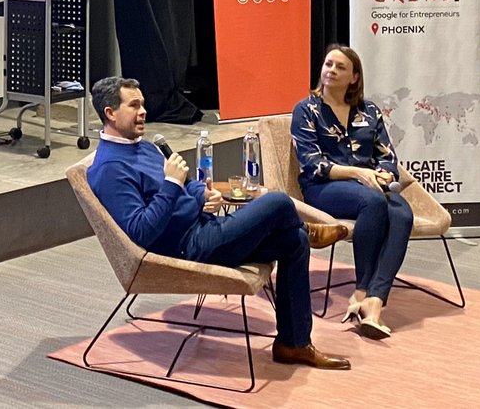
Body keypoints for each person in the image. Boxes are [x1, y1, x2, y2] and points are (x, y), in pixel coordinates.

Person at [88, 76, 351, 370]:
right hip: (185, 249)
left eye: (143, 104)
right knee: (277, 202)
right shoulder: (110, 168)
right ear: (110, 113)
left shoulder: (143, 146)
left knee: (294, 242)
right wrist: (173, 185)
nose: (143, 111)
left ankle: (293, 343)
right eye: (134, 105)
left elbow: (187, 184)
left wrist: (202, 194)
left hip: (204, 228)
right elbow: (141, 232)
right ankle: (307, 228)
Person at [291, 44, 412, 339]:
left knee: (403, 215)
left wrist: (384, 173)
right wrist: (359, 173)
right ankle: (361, 291)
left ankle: (375, 301)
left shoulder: (369, 111)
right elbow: (313, 164)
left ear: (354, 77)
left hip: (369, 186)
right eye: (328, 64)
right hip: (324, 188)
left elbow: (387, 156)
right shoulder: (306, 110)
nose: (331, 70)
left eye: (340, 67)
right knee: (373, 202)